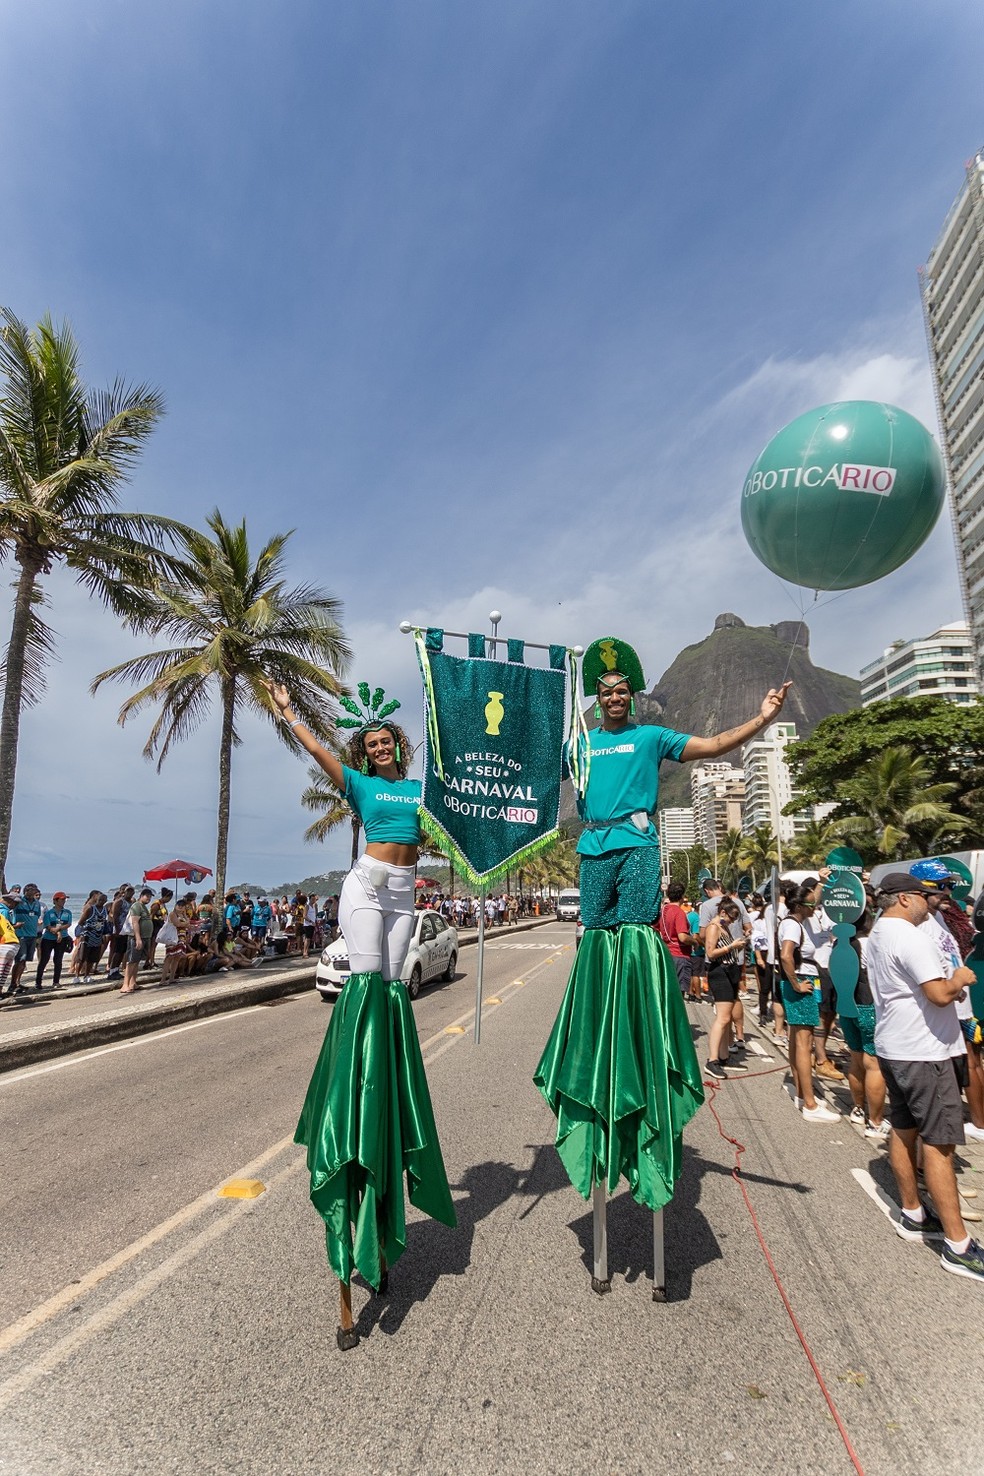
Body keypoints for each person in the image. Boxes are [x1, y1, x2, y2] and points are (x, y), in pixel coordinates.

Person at [263, 677, 455, 1319]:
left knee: (397, 992)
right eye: (368, 745)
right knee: (369, 986)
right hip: (368, 886)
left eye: (383, 742)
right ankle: (359, 1074)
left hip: (407, 890)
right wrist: (290, 709)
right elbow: (318, 750)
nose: (376, 750)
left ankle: (388, 1073)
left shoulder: (422, 786)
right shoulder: (360, 784)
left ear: (397, 744)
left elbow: (465, 778)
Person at [866, 872, 984, 1280]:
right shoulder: (910, 936)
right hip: (925, 1051)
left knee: (903, 1128)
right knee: (940, 1144)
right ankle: (959, 1245)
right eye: (923, 895)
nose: (930, 901)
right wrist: (960, 980)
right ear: (902, 899)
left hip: (895, 1046)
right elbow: (938, 994)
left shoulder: (880, 932)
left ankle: (914, 1213)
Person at [779, 883, 840, 1122]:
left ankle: (801, 1091)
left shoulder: (790, 923)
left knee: (797, 1039)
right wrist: (796, 983)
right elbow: (786, 955)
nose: (815, 907)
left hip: (800, 982)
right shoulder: (793, 925)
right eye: (812, 904)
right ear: (801, 905)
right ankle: (811, 1105)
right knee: (804, 1044)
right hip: (803, 982)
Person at [839, 898, 888, 1139]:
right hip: (868, 1006)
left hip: (846, 1007)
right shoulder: (869, 943)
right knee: (874, 1065)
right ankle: (875, 1121)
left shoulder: (840, 944)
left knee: (856, 1061)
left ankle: (857, 1109)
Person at [704, 900, 750, 1080]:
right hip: (720, 973)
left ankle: (723, 1056)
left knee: (727, 1017)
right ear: (722, 912)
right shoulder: (714, 927)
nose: (732, 921)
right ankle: (712, 1059)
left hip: (729, 971)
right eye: (731, 918)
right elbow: (710, 953)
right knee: (722, 1018)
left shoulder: (724, 926)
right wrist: (732, 946)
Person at [657, 881, 695, 998]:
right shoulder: (679, 913)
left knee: (667, 992)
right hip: (680, 954)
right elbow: (682, 937)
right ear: (682, 897)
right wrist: (694, 941)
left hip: (666, 953)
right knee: (679, 995)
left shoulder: (663, 911)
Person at [35, 891, 73, 990]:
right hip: (48, 939)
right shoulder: (49, 913)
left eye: (65, 899)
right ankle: (38, 982)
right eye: (62, 899)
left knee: (58, 960)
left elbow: (68, 924)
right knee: (44, 960)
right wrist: (56, 932)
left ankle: (56, 981)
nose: (64, 901)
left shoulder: (67, 912)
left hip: (62, 939)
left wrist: (59, 930)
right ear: (55, 900)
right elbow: (47, 926)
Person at [9, 883, 42, 994]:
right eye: (31, 891)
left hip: (32, 935)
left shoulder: (37, 904)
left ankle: (18, 982)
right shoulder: (19, 901)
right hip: (21, 934)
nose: (34, 893)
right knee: (20, 959)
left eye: (35, 891)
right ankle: (13, 984)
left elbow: (36, 917)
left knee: (25, 962)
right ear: (26, 891)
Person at [120, 887, 154, 994]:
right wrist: (138, 938)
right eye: (147, 896)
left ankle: (133, 982)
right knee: (131, 961)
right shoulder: (136, 906)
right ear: (141, 896)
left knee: (137, 961)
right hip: (136, 938)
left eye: (150, 897)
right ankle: (125, 984)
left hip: (145, 937)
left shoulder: (143, 907)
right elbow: (135, 923)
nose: (148, 898)